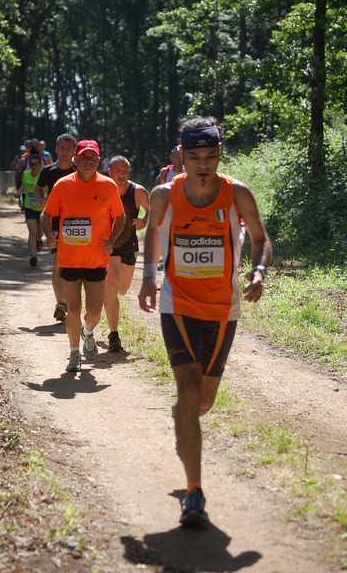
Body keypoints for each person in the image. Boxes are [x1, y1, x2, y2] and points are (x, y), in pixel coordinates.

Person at [138, 115, 272, 526]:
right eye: (193, 157)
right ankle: (194, 493)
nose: (201, 165)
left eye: (209, 156)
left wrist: (259, 270)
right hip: (177, 305)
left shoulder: (237, 194)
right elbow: (153, 233)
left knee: (203, 402)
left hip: (222, 308)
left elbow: (262, 240)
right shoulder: (165, 194)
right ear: (180, 156)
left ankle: (184, 418)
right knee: (188, 388)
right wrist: (148, 276)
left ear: (219, 154)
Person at [41, 139, 126, 373]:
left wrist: (112, 241)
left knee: (95, 312)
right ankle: (73, 353)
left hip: (97, 259)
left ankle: (88, 333)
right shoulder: (62, 185)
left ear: (99, 161)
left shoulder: (108, 186)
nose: (88, 160)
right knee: (74, 309)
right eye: (84, 156)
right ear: (75, 160)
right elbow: (45, 215)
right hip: (69, 259)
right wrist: (49, 234)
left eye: (93, 157)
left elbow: (120, 217)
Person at [104, 155, 150, 352]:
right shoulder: (102, 190)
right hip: (109, 244)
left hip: (129, 244)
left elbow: (152, 211)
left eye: (125, 171)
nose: (121, 175)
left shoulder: (137, 191)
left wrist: (144, 222)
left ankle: (111, 301)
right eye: (117, 171)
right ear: (110, 172)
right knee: (111, 284)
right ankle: (114, 335)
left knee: (122, 289)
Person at [34, 133, 77, 322]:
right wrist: (43, 201)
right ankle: (60, 303)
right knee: (57, 262)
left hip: (78, 223)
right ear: (56, 149)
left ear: (74, 151)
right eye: (62, 148)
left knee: (74, 265)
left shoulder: (80, 171)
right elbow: (37, 187)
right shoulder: (48, 171)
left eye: (69, 149)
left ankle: (70, 300)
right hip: (55, 223)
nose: (65, 152)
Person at [17, 156, 46, 267]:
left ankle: (39, 239)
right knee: (32, 231)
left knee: (40, 231)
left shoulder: (44, 175)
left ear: (40, 165)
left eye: (36, 164)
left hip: (42, 207)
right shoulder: (26, 174)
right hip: (29, 206)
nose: (34, 166)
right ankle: (33, 256)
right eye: (32, 164)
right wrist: (18, 192)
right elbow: (24, 186)